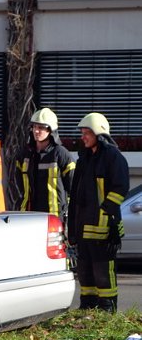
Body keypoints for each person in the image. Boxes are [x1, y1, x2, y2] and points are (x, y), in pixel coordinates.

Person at [67, 112, 129, 313]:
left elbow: (119, 189)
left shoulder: (113, 157)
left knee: (104, 274)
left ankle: (107, 311)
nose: (83, 137)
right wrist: (72, 229)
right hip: (83, 229)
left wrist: (106, 217)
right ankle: (88, 308)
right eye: (82, 133)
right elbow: (75, 196)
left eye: (87, 133)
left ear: (99, 134)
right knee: (85, 273)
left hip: (104, 230)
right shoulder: (84, 160)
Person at [13, 108, 75, 220]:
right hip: (27, 214)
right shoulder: (24, 154)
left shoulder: (61, 154)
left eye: (41, 127)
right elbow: (16, 185)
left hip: (54, 218)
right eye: (34, 127)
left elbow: (74, 188)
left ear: (51, 130)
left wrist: (66, 209)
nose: (36, 131)